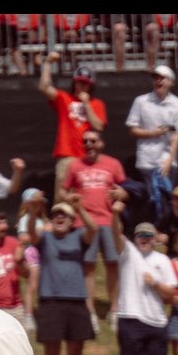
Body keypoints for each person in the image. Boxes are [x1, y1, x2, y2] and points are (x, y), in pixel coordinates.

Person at [25, 195, 98, 355]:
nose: (59, 217)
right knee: (51, 354)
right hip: (51, 301)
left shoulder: (78, 237)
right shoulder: (45, 238)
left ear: (71, 220)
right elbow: (31, 233)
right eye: (56, 213)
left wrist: (80, 208)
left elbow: (93, 229)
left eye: (64, 215)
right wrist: (34, 212)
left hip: (76, 301)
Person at [112, 205, 178, 355]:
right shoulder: (128, 253)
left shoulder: (163, 260)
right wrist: (114, 213)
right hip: (130, 317)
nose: (144, 239)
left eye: (149, 235)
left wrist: (156, 283)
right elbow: (115, 234)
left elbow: (170, 293)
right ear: (135, 237)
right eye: (141, 235)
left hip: (156, 320)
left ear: (155, 239)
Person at [62, 129, 128, 325]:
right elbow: (63, 190)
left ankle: (115, 309)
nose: (88, 144)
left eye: (93, 141)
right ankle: (89, 311)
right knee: (87, 266)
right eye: (85, 141)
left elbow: (125, 191)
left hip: (109, 220)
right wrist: (69, 198)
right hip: (84, 222)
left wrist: (122, 195)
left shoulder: (113, 164)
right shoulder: (75, 165)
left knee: (113, 263)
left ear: (101, 144)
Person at [38, 54, 106, 203]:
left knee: (86, 195)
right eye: (79, 82)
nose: (81, 86)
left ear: (91, 85)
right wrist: (48, 63)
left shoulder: (97, 104)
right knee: (63, 196)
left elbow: (98, 126)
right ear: (74, 83)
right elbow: (44, 87)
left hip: (88, 156)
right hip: (67, 154)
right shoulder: (64, 98)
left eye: (85, 83)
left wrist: (86, 104)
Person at [126, 65, 178, 221]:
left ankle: (164, 229)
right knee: (151, 197)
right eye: (156, 78)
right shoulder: (140, 102)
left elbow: (177, 135)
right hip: (146, 160)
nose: (158, 81)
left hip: (166, 161)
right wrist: (152, 133)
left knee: (166, 196)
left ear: (171, 82)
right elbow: (132, 129)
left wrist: (169, 160)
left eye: (162, 78)